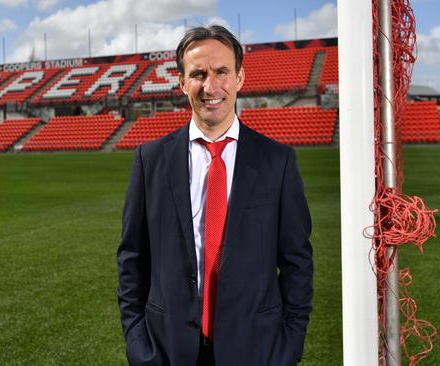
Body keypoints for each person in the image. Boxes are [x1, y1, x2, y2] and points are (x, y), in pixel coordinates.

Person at [117, 24, 313, 366]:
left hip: (257, 351)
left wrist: (289, 347)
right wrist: (138, 343)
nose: (211, 87)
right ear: (182, 83)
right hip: (167, 352)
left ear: (239, 78)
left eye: (222, 72)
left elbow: (297, 264)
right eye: (198, 74)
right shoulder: (150, 161)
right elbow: (132, 259)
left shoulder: (277, 161)